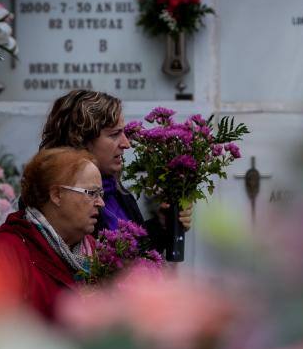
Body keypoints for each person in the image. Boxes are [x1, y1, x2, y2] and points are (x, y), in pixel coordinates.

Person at [39, 89, 192, 254]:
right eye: (114, 134)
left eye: (124, 133)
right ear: (81, 140)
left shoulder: (116, 191)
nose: (126, 144)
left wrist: (161, 225)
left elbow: (135, 254)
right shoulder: (64, 201)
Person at [0, 147, 104, 320]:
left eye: (101, 194)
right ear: (57, 195)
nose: (101, 203)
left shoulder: (91, 248)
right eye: (92, 193)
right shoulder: (5, 253)